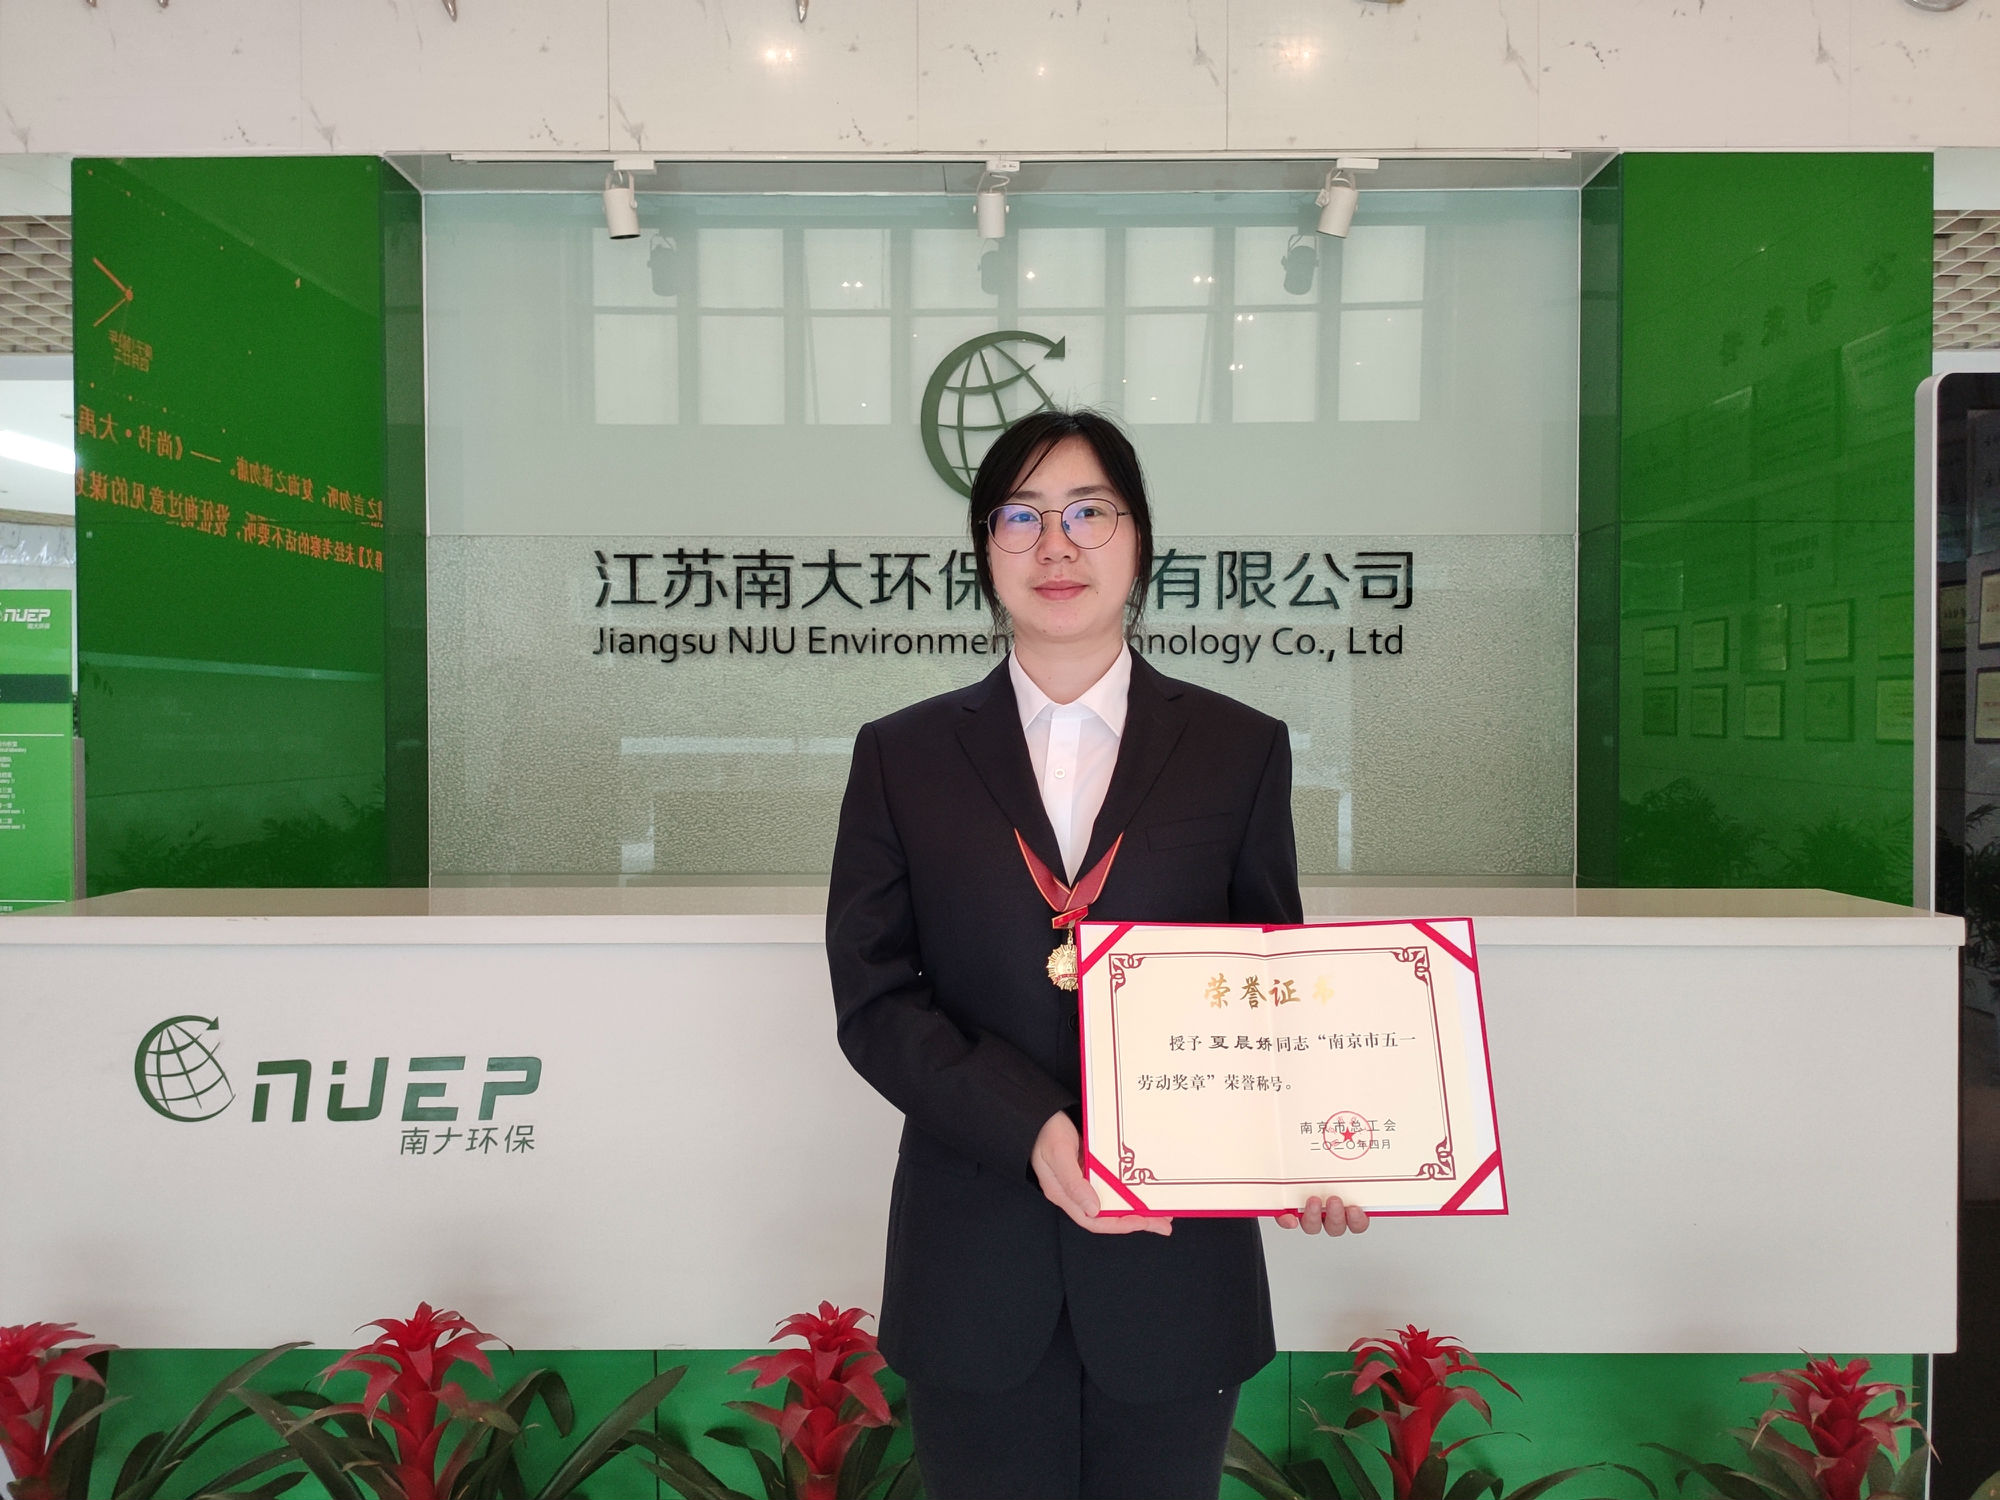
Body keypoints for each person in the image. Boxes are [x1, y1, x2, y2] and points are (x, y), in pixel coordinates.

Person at [826, 409, 1369, 1500]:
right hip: (973, 1259)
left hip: (1176, 1270)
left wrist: (1310, 1141)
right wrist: (1029, 1124)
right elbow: (875, 999)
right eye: (1020, 518)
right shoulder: (902, 756)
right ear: (984, 552)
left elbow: (1271, 981)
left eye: (1089, 513)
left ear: (1139, 539)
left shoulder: (1237, 748)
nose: (1056, 546)